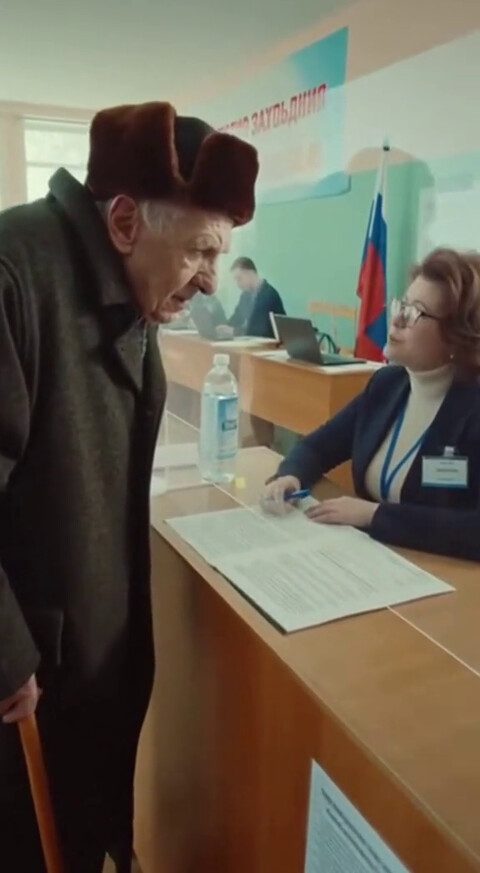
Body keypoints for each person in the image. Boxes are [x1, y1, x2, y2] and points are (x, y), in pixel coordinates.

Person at [0, 101, 258, 873]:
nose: (210, 281)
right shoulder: (15, 273)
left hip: (77, 671)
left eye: (220, 255)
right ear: (122, 221)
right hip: (23, 685)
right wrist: (5, 654)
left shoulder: (124, 284)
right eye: (200, 250)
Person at [262, 248, 480, 562]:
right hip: (368, 558)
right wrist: (291, 475)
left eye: (416, 312)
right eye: (402, 305)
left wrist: (374, 515)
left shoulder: (472, 408)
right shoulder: (387, 384)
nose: (397, 319)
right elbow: (318, 446)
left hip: (441, 573)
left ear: (457, 335)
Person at [216, 256, 285, 338]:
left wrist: (233, 331)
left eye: (239, 278)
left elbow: (259, 330)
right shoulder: (245, 295)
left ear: (249, 273)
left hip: (270, 343)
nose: (237, 284)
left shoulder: (268, 295)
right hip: (256, 342)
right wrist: (223, 328)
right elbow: (237, 317)